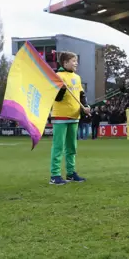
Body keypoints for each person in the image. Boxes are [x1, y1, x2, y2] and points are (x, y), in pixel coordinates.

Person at [49, 52, 90, 185]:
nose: (76, 63)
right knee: (58, 146)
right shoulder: (57, 77)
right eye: (73, 61)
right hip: (60, 115)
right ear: (65, 63)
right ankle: (55, 175)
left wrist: (85, 105)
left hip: (74, 116)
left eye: (76, 60)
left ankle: (71, 173)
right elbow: (56, 98)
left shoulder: (77, 77)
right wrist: (61, 89)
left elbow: (81, 94)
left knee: (72, 147)